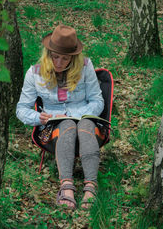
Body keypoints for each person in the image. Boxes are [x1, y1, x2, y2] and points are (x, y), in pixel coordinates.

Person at [16, 24, 104, 210]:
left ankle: (91, 187)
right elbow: (21, 109)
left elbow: (97, 101)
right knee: (66, 124)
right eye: (55, 57)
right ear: (48, 53)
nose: (59, 62)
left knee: (85, 124)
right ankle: (66, 186)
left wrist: (75, 115)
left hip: (84, 119)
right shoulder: (35, 73)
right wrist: (38, 117)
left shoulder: (86, 67)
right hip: (52, 127)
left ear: (74, 57)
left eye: (65, 58)